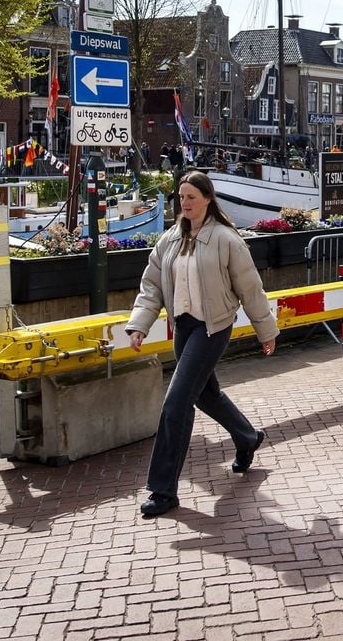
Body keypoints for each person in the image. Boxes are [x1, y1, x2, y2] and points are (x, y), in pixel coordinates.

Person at [126, 171, 278, 517]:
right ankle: (247, 437)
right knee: (207, 394)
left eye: (192, 197)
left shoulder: (226, 239)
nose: (185, 203)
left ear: (208, 199)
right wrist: (139, 325)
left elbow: (249, 286)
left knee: (176, 403)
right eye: (181, 198)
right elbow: (151, 287)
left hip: (213, 328)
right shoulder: (168, 241)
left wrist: (265, 330)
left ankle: (163, 491)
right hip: (183, 326)